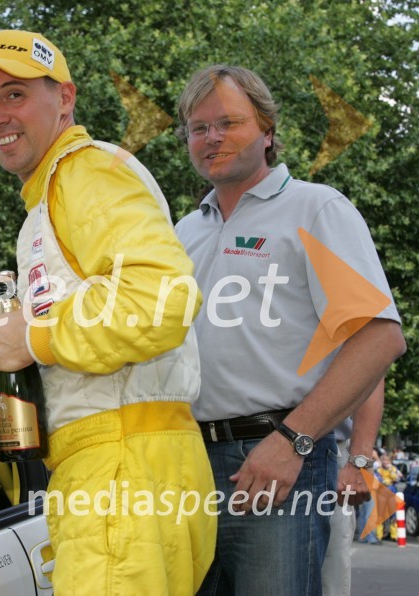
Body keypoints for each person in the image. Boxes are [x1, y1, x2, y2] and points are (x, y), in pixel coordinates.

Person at [0, 29, 216, 594]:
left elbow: (160, 298)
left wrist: (33, 338)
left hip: (119, 468)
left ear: (65, 98)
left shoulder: (84, 171)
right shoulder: (57, 191)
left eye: (15, 94)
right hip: (125, 468)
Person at [174, 64, 405, 595]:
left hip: (280, 458)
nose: (212, 137)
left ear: (267, 131)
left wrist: (292, 440)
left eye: (229, 123)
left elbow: (379, 337)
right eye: (198, 127)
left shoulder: (316, 208)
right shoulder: (184, 231)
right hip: (186, 463)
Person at [322, 379, 384, 594]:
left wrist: (360, 460)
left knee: (330, 577)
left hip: (329, 448)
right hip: (236, 442)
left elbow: (372, 365)